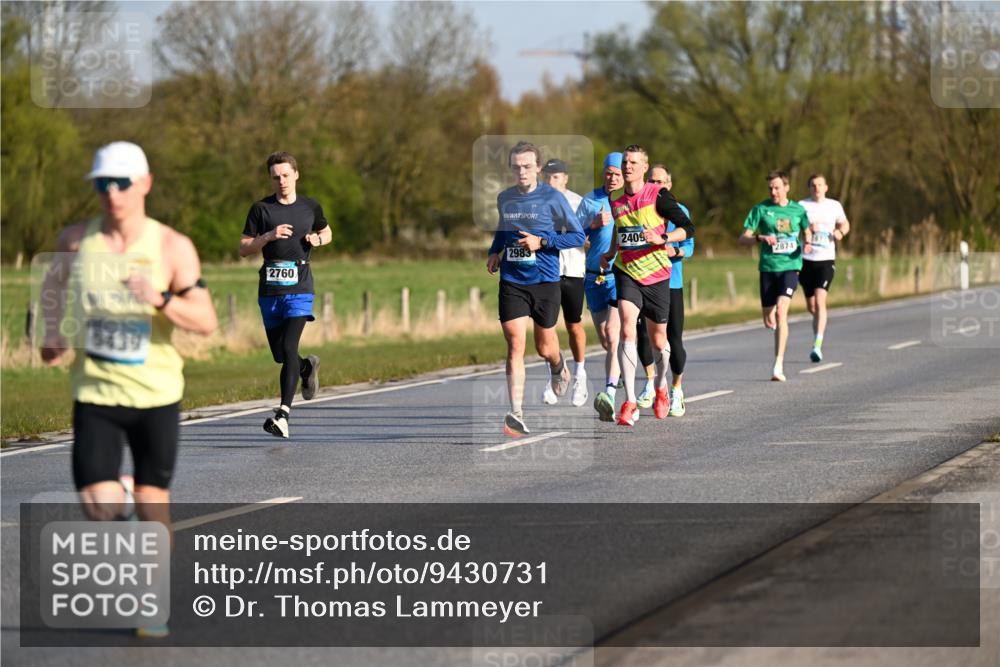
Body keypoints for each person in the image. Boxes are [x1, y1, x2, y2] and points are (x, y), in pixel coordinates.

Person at [40, 141, 218, 637]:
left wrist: (159, 298)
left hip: (156, 395)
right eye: (102, 184)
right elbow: (52, 289)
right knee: (98, 505)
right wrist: (52, 335)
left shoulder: (171, 247)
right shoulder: (76, 242)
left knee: (151, 502)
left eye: (120, 183)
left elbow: (205, 320)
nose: (111, 193)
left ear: (145, 184)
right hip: (96, 391)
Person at [487, 141, 585, 436]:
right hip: (513, 281)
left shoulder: (553, 199)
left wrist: (541, 242)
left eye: (528, 166)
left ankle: (558, 366)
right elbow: (504, 228)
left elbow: (577, 237)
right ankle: (516, 412)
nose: (522, 172)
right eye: (516, 167)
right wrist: (495, 250)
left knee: (545, 347)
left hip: (545, 281)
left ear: (538, 168)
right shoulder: (505, 198)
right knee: (516, 344)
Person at [599, 145, 694, 426]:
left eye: (633, 162)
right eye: (625, 162)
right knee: (628, 327)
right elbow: (622, 231)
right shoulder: (615, 202)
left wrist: (663, 238)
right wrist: (610, 253)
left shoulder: (659, 197)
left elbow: (688, 228)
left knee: (658, 341)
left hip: (657, 276)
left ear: (644, 167)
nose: (627, 166)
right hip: (626, 272)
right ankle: (628, 401)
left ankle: (661, 387)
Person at [240, 152, 331, 438]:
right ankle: (307, 367)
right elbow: (244, 247)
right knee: (282, 355)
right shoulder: (261, 209)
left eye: (286, 175)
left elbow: (327, 232)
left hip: (300, 288)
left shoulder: (310, 207)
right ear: (271, 179)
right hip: (270, 290)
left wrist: (317, 239)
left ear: (296, 174)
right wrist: (267, 237)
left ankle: (282, 415)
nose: (281, 181)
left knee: (290, 346)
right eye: (276, 177)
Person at [738, 170, 812, 381]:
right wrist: (759, 238)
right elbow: (743, 238)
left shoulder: (798, 210)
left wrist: (807, 243)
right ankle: (774, 329)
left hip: (790, 266)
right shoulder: (761, 209)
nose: (774, 191)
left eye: (777, 187)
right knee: (769, 318)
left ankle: (778, 363)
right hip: (768, 268)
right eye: (770, 188)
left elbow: (807, 231)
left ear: (786, 187)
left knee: (781, 313)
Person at [580, 153, 625, 422]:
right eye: (608, 173)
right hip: (592, 276)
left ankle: (608, 393)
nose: (612, 178)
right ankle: (616, 375)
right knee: (606, 339)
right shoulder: (590, 201)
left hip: (619, 276)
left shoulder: (628, 202)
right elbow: (571, 235)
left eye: (617, 174)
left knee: (613, 333)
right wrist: (592, 225)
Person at [540, 158, 588, 407]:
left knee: (573, 326)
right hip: (546, 273)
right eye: (547, 176)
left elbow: (587, 240)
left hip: (573, 270)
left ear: (565, 178)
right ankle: (554, 377)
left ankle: (580, 374)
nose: (551, 181)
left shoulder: (578, 202)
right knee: (547, 329)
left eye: (556, 176)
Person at [648, 164, 694, 416]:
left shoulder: (680, 211)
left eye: (661, 182)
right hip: (645, 281)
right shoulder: (641, 207)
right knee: (646, 339)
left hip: (671, 282)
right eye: (652, 181)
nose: (657, 187)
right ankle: (653, 386)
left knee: (674, 341)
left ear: (669, 185)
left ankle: (677, 388)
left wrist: (672, 250)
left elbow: (690, 247)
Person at [799, 173, 850, 362]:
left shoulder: (834, 205)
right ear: (809, 188)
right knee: (812, 306)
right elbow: (793, 226)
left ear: (826, 187)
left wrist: (840, 232)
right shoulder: (801, 206)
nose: (817, 188)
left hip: (826, 259)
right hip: (805, 260)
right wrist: (807, 229)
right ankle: (818, 331)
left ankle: (817, 345)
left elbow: (845, 223)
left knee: (821, 301)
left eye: (820, 185)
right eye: (813, 185)